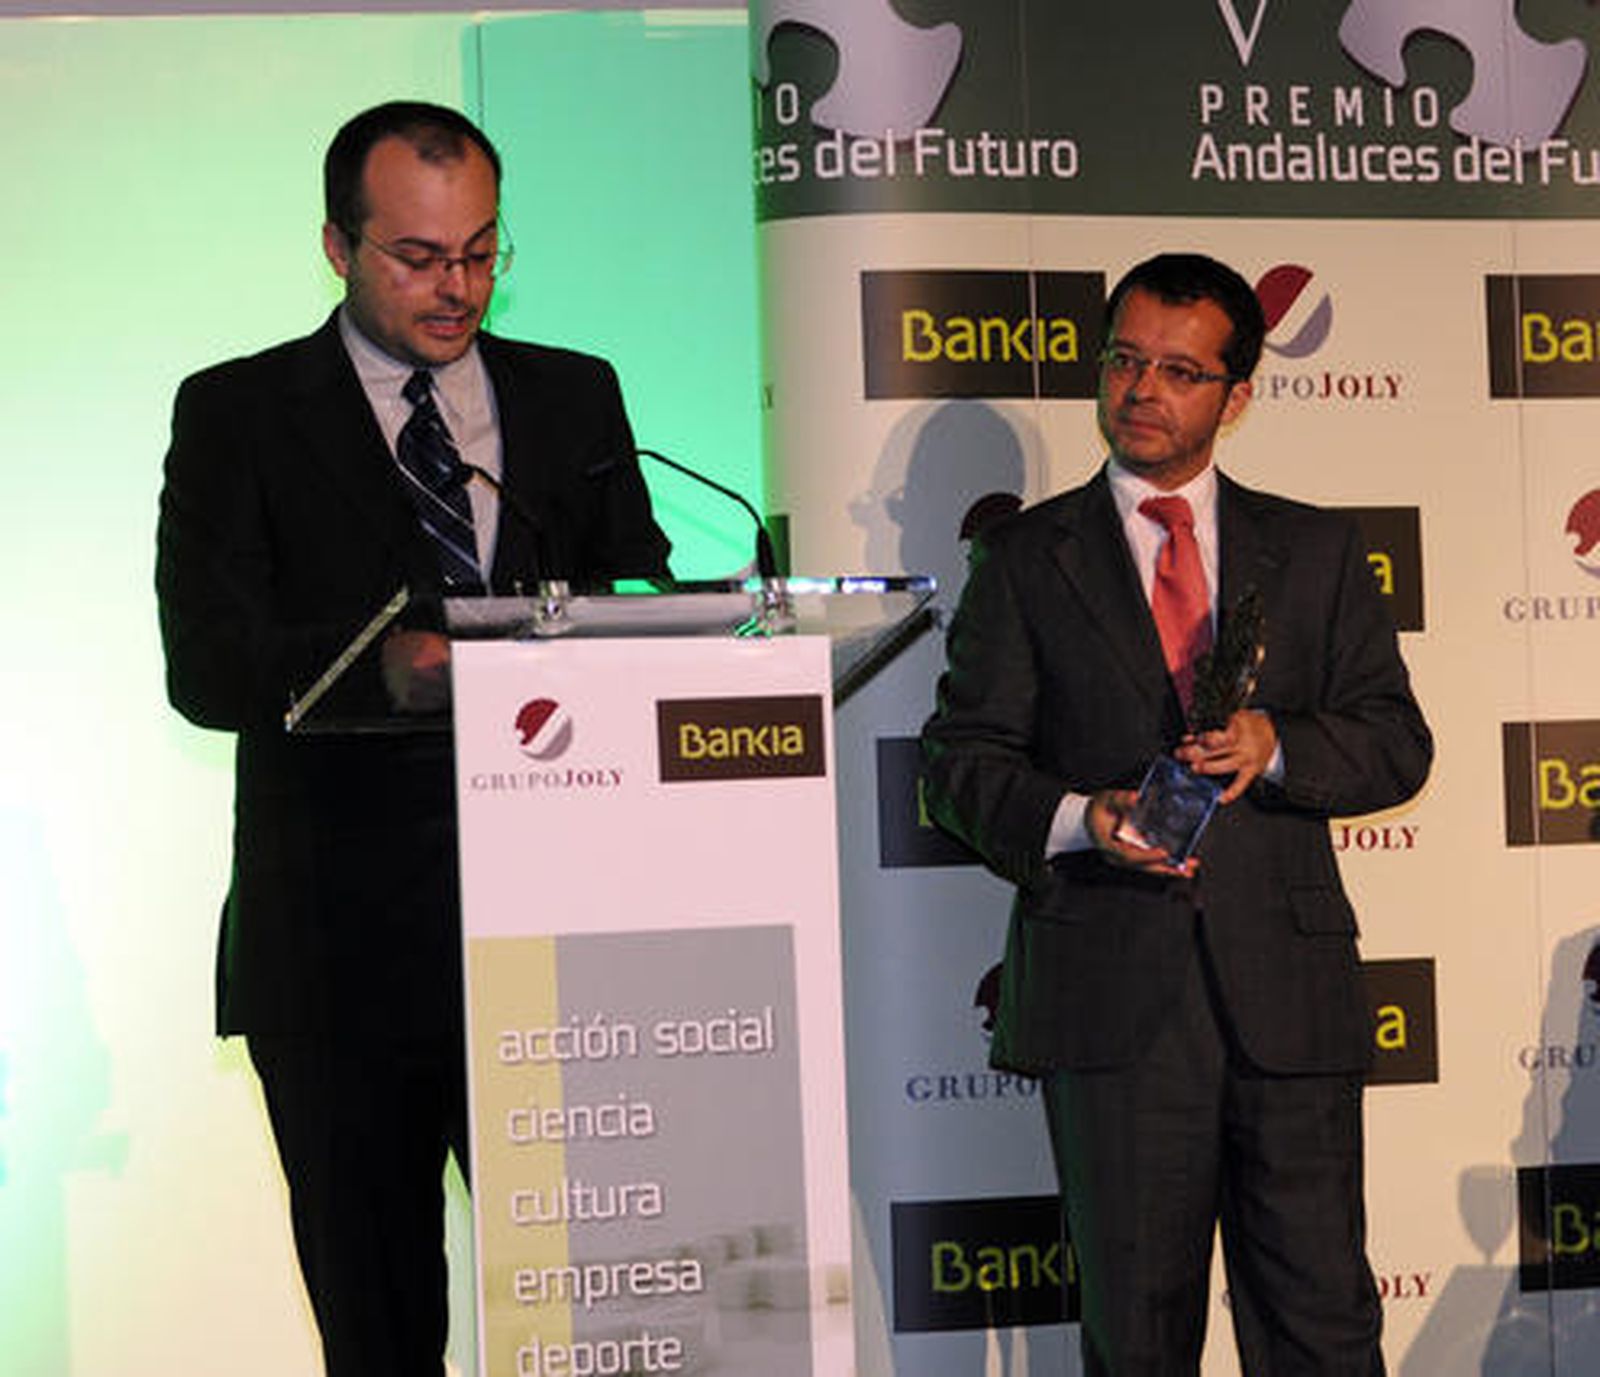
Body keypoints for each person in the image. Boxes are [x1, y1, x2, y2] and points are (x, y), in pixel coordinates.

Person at [156, 101, 669, 1375]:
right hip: (341, 953)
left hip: (563, 957)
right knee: (381, 1332)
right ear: (337, 245)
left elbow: (644, 602)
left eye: (484, 253)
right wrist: (384, 671)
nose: (460, 289)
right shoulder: (239, 413)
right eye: (420, 258)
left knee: (603, 1319)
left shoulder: (574, 397)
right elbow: (205, 666)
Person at [921, 252, 1431, 1375]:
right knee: (1139, 1338)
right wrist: (1076, 817)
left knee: (1322, 1326)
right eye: (1122, 361)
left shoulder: (1319, 552)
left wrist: (1277, 742)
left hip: (1287, 1008)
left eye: (1179, 371)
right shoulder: (1019, 560)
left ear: (1235, 397)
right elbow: (958, 764)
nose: (1140, 391)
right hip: (1111, 1002)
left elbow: (1397, 743)